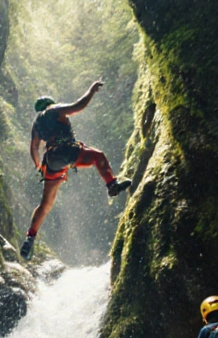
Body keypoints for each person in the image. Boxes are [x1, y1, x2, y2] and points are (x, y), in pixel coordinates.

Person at [19, 80, 133, 260]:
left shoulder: (37, 124)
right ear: (50, 103)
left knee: (46, 203)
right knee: (98, 156)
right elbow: (77, 106)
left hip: (52, 160)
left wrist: (39, 166)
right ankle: (112, 185)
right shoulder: (55, 110)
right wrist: (91, 90)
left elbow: (33, 148)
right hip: (68, 151)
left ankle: (30, 237)